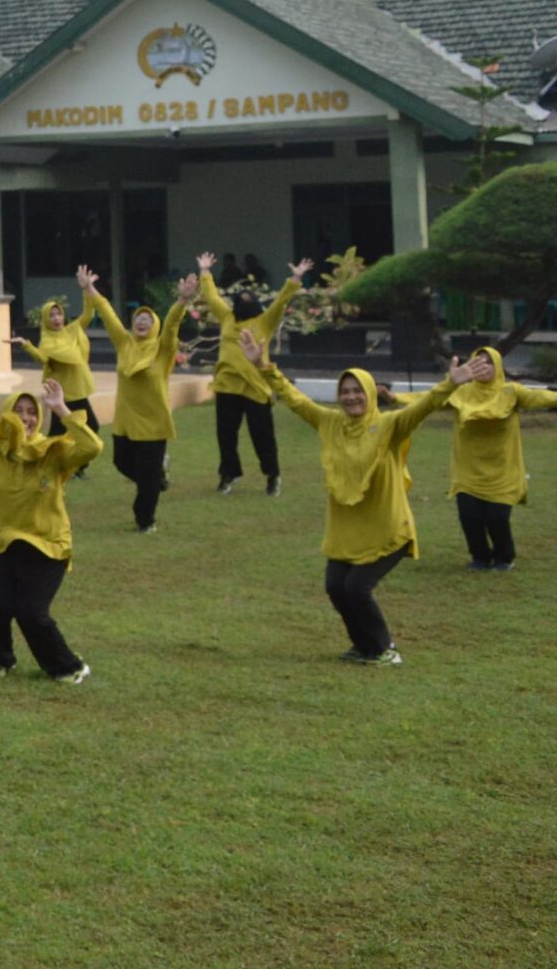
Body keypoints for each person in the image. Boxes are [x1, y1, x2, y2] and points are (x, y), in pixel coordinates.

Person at [245, 333, 487, 664]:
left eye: (357, 390)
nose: (351, 397)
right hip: (346, 530)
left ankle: (384, 648)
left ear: (370, 393)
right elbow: (294, 398)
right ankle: (365, 646)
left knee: (357, 589)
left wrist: (451, 384)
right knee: (336, 587)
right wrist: (263, 366)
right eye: (345, 391)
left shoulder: (389, 425)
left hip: (387, 527)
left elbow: (423, 407)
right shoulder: (330, 423)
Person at [0, 375, 100, 682]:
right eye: (20, 410)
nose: (25, 418)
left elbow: (92, 447)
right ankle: (2, 660)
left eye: (32, 412)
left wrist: (63, 410)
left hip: (47, 545)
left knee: (31, 614)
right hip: (4, 543)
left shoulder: (53, 451)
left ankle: (68, 667)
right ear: (8, 413)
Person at [86, 270, 196, 533]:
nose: (142, 322)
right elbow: (110, 316)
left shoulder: (163, 348)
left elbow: (171, 326)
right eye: (139, 318)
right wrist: (90, 289)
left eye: (148, 319)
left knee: (146, 481)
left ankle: (145, 520)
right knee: (121, 463)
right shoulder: (125, 343)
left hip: (153, 423)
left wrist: (181, 301)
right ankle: (157, 478)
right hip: (125, 420)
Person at [196, 253, 308, 496]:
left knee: (262, 436)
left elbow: (280, 302)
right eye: (241, 300)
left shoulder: (264, 321)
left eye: (249, 300)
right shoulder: (227, 317)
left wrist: (295, 278)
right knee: (226, 436)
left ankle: (272, 475)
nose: (244, 303)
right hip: (227, 387)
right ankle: (229, 474)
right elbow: (211, 296)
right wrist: (205, 271)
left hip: (256, 388)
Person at [445, 347, 552, 570]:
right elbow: (426, 401)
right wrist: (393, 397)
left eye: (488, 362)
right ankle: (480, 557)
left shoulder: (510, 392)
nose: (483, 367)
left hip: (502, 472)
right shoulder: (460, 393)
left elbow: (543, 397)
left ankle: (505, 558)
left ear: (498, 366)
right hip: (468, 472)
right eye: (477, 362)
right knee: (470, 516)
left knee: (497, 518)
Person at [14, 275, 101, 452]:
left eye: (58, 313)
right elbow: (43, 359)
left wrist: (86, 289)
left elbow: (89, 313)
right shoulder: (46, 342)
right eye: (51, 315)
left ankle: (70, 465)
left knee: (83, 427)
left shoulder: (72, 330)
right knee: (64, 431)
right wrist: (27, 345)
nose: (56, 318)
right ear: (46, 319)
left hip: (78, 389)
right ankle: (47, 459)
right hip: (62, 393)